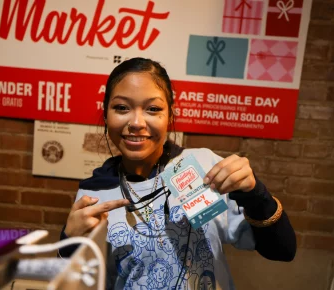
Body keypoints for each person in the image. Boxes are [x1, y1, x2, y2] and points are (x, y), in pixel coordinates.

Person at [59, 57, 296, 289]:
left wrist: (255, 193)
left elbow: (282, 250)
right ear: (105, 115)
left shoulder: (202, 167)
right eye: (121, 108)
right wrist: (68, 244)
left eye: (153, 109)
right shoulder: (95, 194)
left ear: (170, 115)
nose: (137, 122)